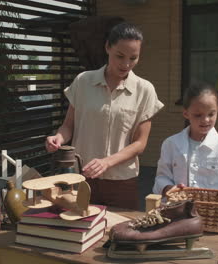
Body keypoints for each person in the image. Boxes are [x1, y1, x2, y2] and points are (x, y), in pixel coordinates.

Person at [45, 22, 164, 210]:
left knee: (122, 233)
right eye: (120, 56)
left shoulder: (145, 90)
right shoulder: (83, 81)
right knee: (81, 229)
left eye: (133, 58)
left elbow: (140, 143)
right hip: (81, 179)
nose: (126, 64)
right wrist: (58, 138)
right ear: (108, 47)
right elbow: (68, 126)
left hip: (122, 182)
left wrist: (107, 162)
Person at [152, 81, 218, 222]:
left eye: (211, 114)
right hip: (177, 218)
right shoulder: (171, 144)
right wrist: (169, 188)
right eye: (198, 115)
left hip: (215, 218)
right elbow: (161, 178)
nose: (205, 120)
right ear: (186, 113)